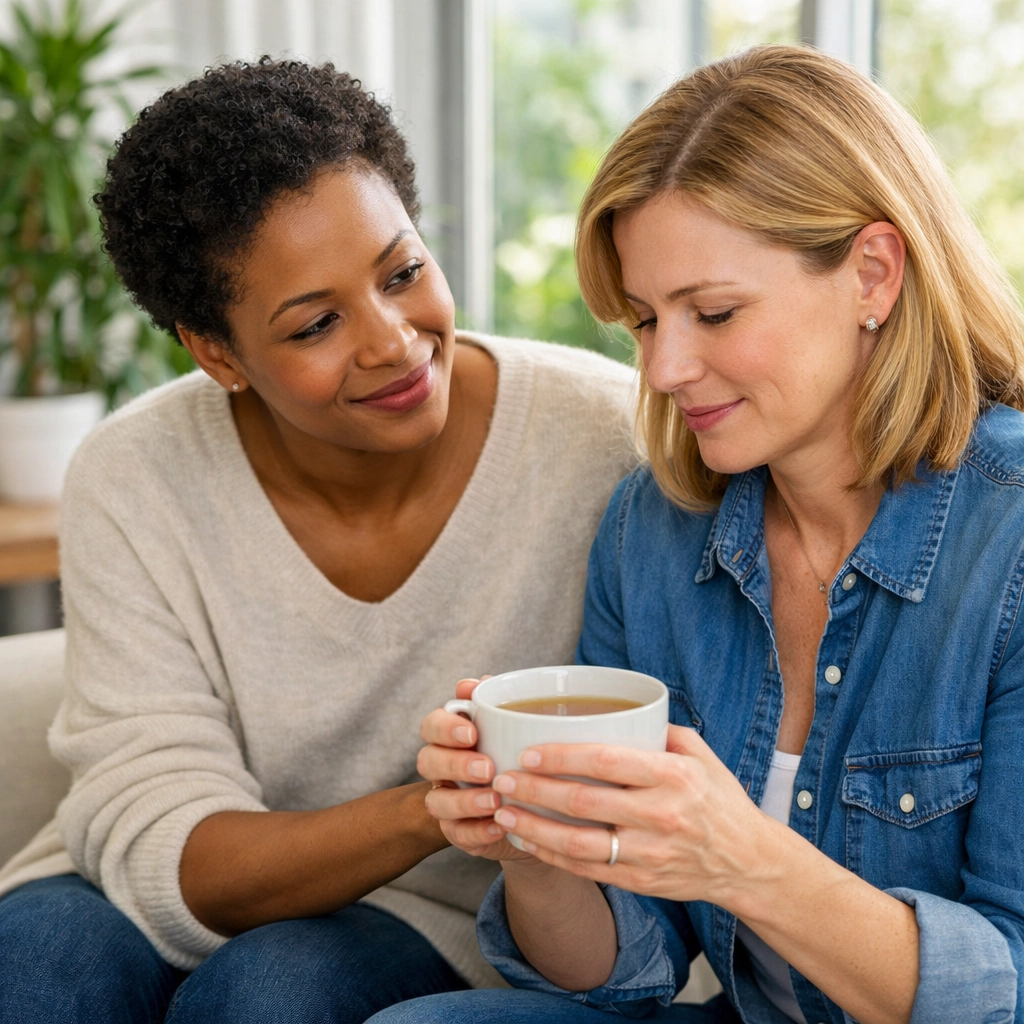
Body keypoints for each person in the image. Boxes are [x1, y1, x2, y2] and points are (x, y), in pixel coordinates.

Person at [388, 44, 1024, 1024]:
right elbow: (626, 967)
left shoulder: (1010, 539)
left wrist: (745, 860)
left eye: (713, 311)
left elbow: (1008, 988)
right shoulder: (653, 533)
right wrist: (528, 843)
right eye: (643, 321)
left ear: (871, 273)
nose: (666, 366)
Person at [0, 60, 637, 1023]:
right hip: (157, 885)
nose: (391, 340)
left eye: (404, 273)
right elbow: (167, 837)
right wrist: (430, 807)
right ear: (218, 353)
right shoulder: (134, 476)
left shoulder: (602, 438)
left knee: (271, 994)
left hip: (438, 914)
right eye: (317, 324)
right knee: (33, 967)